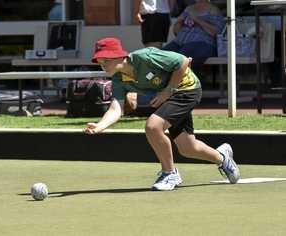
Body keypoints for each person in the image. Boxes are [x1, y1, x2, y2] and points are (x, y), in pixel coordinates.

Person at [83, 37, 240, 191]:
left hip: (187, 90)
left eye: (106, 60)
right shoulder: (118, 79)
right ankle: (223, 158)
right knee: (188, 148)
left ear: (119, 55)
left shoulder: (145, 57)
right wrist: (100, 126)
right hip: (169, 97)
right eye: (100, 62)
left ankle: (170, 173)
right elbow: (116, 108)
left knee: (153, 126)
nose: (103, 66)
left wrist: (168, 90)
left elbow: (184, 61)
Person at [163, 0, 225, 65]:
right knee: (160, 56)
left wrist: (198, 21)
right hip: (179, 43)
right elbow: (176, 31)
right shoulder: (188, 9)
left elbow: (217, 32)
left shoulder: (213, 10)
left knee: (180, 58)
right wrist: (179, 22)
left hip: (203, 43)